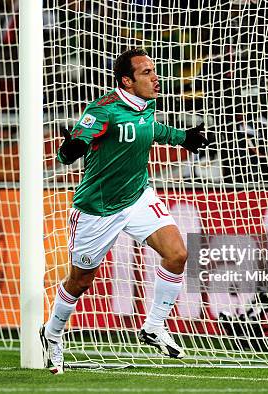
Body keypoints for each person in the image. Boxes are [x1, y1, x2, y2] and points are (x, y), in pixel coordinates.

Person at [40, 48, 208, 374]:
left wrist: (182, 138)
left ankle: (154, 325)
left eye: (154, 70)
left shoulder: (147, 105)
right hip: (97, 209)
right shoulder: (103, 110)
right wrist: (71, 148)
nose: (155, 77)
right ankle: (52, 334)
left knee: (177, 254)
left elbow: (151, 130)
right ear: (127, 81)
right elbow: (73, 146)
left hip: (137, 196)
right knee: (80, 280)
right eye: (146, 73)